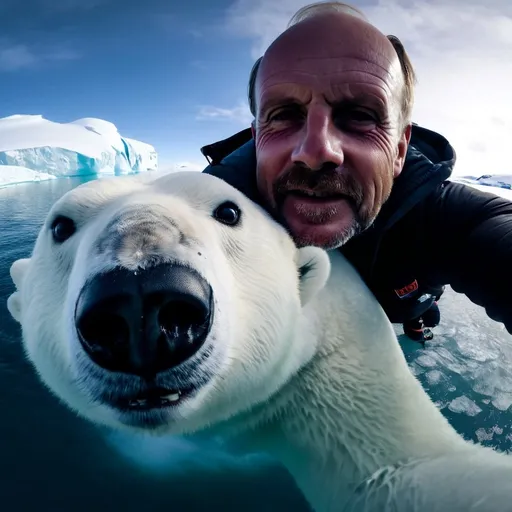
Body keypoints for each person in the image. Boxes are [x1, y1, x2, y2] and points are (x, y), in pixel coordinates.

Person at [201, 1, 512, 336]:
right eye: (284, 115)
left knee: (416, 313)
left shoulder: (440, 215)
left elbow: (492, 231)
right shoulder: (207, 214)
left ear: (399, 151)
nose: (316, 152)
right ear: (257, 139)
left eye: (360, 115)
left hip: (402, 304)